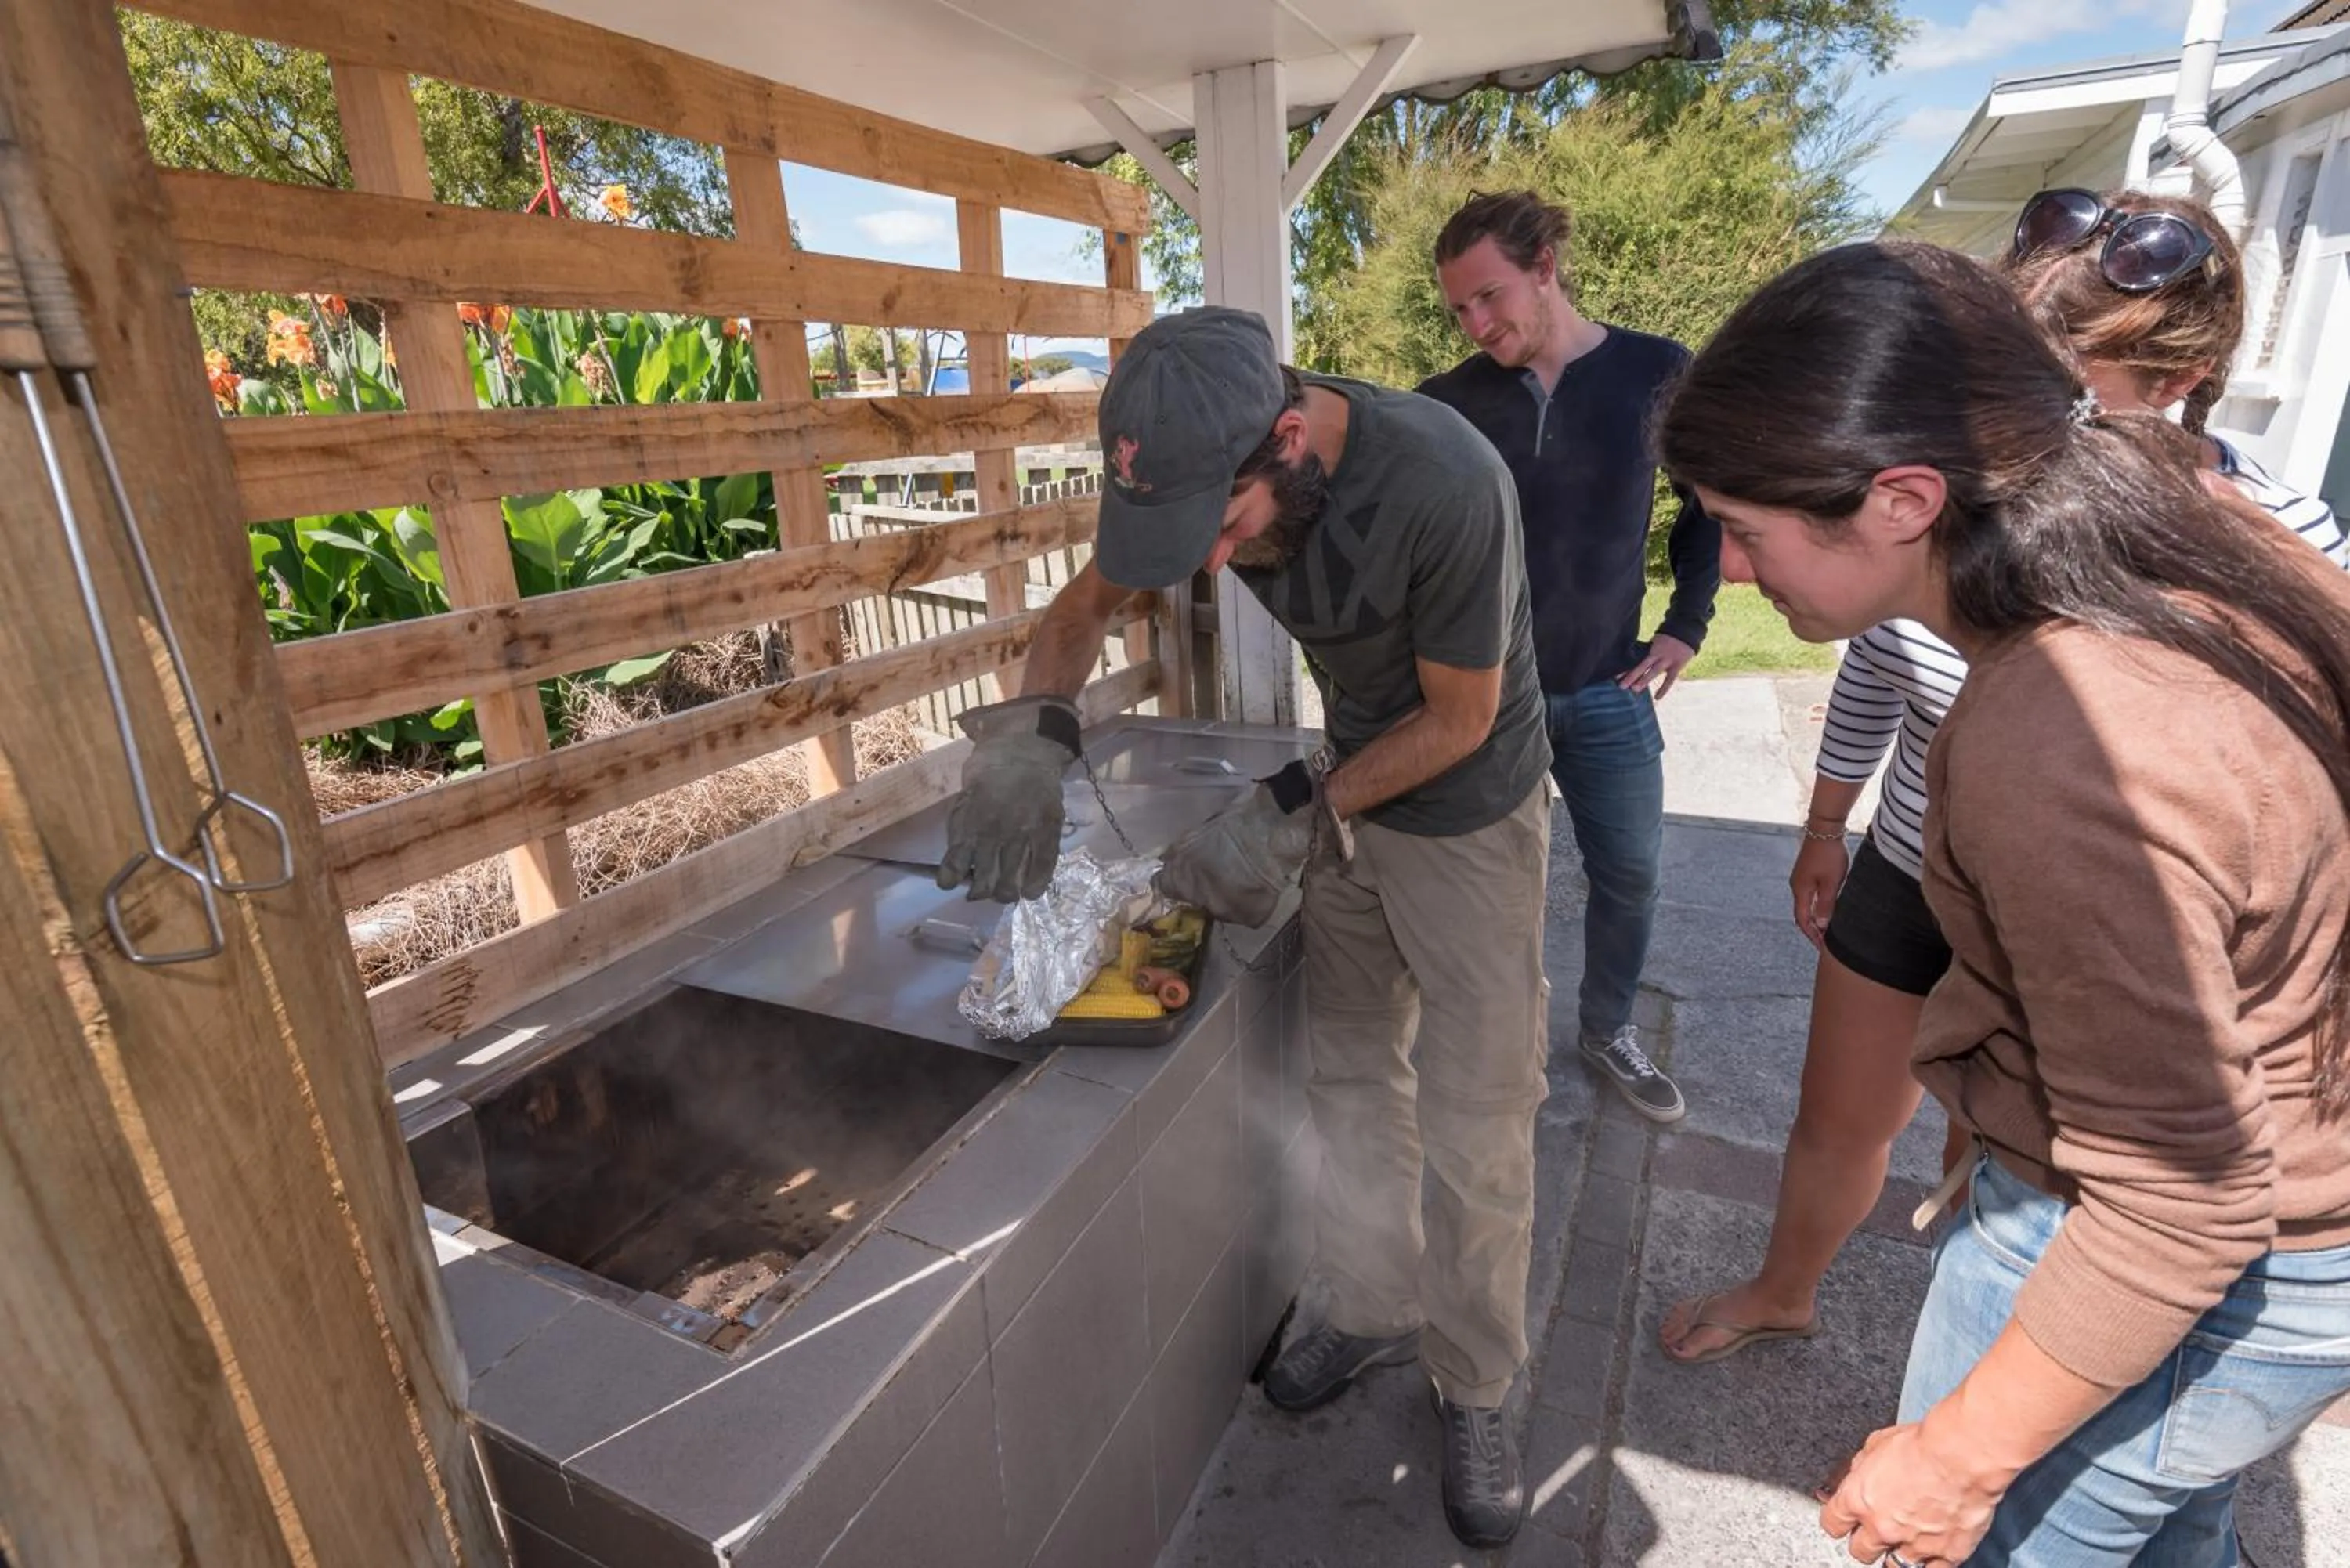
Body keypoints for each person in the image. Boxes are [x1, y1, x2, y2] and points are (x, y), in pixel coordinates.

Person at [1656, 237, 2350, 1567]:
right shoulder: (2200, 536)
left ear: (1903, 500)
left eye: (1744, 528)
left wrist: (1956, 1458)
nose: (1731, 569)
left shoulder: (2063, 740)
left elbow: (2183, 1200)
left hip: (2169, 1271)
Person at [934, 306, 1555, 1548]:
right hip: (1347, 794)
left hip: (1470, 816)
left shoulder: (1446, 482)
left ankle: (1478, 1380)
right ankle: (1374, 1305)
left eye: (1224, 528)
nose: (1212, 565)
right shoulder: (1196, 463)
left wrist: (1290, 818)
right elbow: (1077, 612)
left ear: (1290, 441)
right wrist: (1034, 738)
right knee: (1354, 1079)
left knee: (1478, 1116)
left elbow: (1460, 720)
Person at [1419, 190, 1721, 1125]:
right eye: (1459, 310)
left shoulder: (1657, 371)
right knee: (1489, 888)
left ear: (1545, 266)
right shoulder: (1448, 403)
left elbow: (1709, 504)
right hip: (1487, 701)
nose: (1477, 325)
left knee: (1631, 873)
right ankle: (1494, 1046)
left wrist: (1688, 622)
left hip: (1607, 685)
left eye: (1490, 296)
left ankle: (1606, 1028)